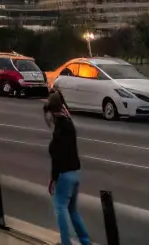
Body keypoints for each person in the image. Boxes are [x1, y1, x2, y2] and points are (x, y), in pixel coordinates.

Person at [45, 90, 92, 245]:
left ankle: (66, 242)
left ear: (52, 112)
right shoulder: (68, 123)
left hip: (64, 175)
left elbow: (56, 156)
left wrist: (53, 177)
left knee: (61, 209)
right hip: (75, 172)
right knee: (72, 210)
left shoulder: (60, 129)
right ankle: (85, 241)